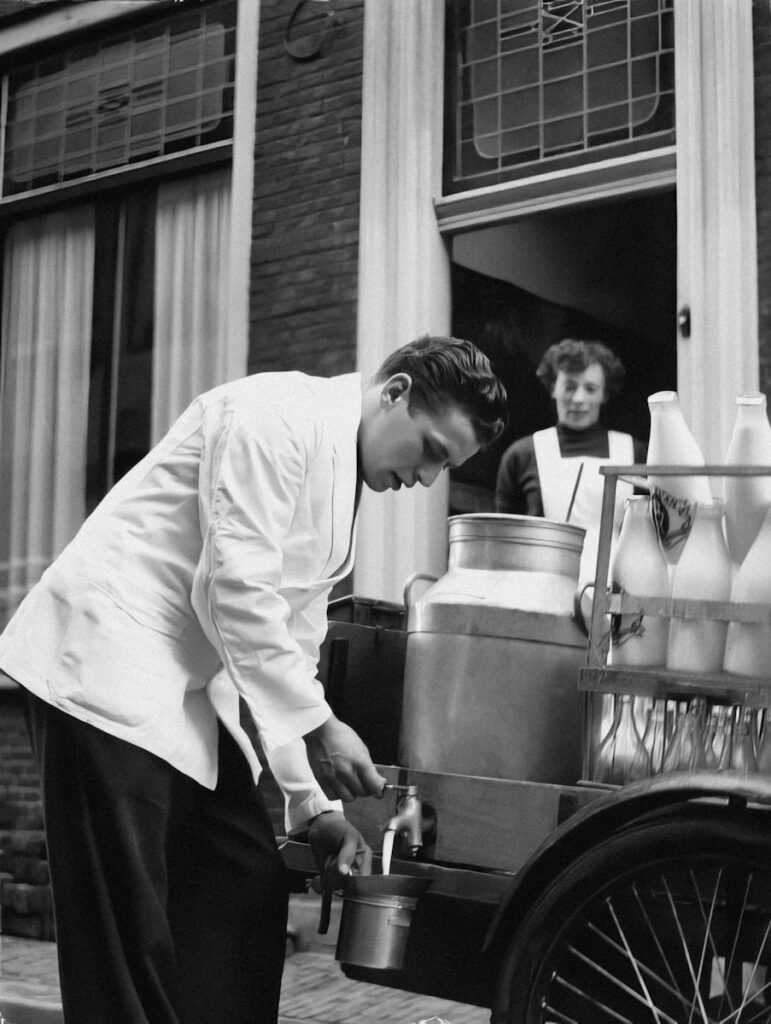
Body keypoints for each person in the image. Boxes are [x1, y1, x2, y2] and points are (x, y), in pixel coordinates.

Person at [0, 334, 507, 1024]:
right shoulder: (273, 415)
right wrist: (321, 728)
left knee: (242, 884)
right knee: (126, 937)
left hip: (179, 692)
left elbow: (290, 644)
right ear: (394, 393)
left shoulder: (340, 488)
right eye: (430, 451)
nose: (424, 479)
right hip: (102, 664)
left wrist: (313, 808)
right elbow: (234, 590)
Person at [495, 338, 646, 592]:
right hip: (541, 592)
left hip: (619, 596)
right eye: (569, 386)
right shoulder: (522, 455)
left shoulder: (633, 452)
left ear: (604, 393)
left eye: (590, 388)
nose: (578, 398)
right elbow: (503, 543)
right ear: (553, 387)